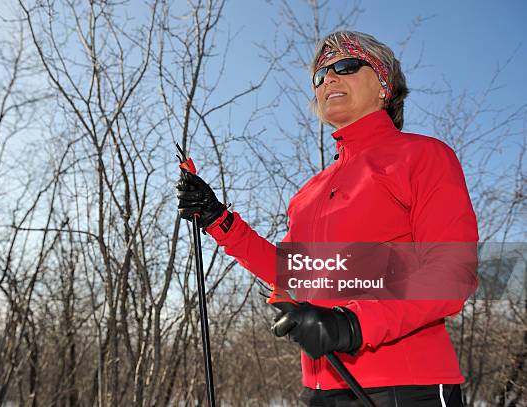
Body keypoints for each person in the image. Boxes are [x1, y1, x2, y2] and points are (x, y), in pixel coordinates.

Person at [176, 31, 477, 406]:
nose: (328, 78)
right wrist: (218, 219)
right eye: (319, 76)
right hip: (320, 390)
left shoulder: (422, 156)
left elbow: (451, 272)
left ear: (384, 84)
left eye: (345, 66)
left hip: (405, 387)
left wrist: (352, 324)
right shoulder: (309, 193)